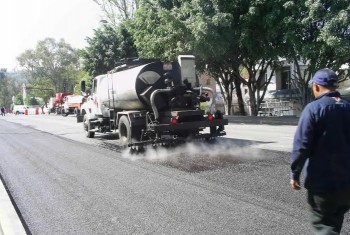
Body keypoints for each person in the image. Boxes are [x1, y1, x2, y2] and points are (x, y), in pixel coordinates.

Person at [290, 68, 350, 234]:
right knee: (335, 222)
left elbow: (301, 146)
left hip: (323, 185)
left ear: (316, 87)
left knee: (325, 227)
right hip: (346, 184)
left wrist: (295, 174)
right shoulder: (348, 106)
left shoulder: (313, 109)